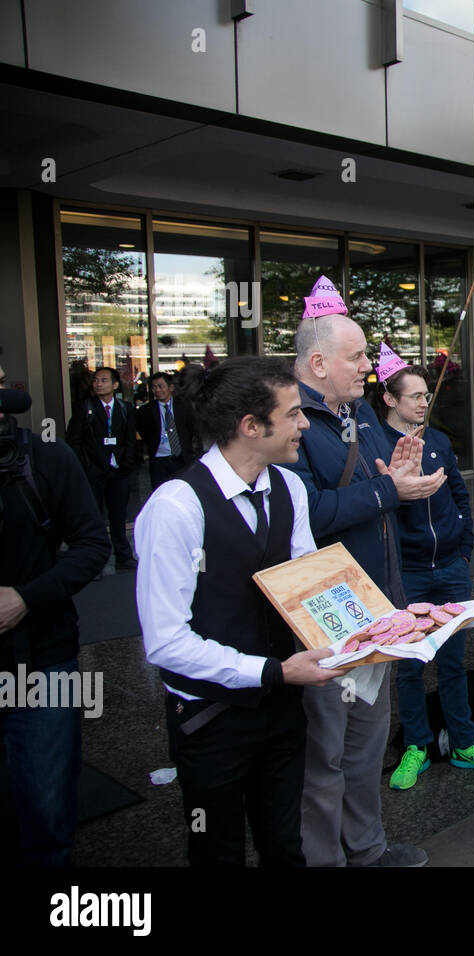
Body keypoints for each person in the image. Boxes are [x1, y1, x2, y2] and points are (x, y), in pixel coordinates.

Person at [134, 357, 344, 866]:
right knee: (217, 849)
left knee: (284, 845)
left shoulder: (290, 489)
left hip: (281, 707)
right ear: (251, 427)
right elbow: (165, 641)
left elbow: (308, 589)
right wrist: (271, 671)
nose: (304, 425)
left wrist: (385, 627)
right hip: (211, 718)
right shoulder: (176, 506)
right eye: (294, 413)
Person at [286, 281, 440, 867]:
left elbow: (380, 490)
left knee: (367, 741)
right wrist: (386, 490)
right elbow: (309, 513)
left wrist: (400, 482)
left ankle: (368, 849)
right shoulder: (292, 422)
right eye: (357, 357)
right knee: (323, 753)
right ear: (318, 362)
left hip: (375, 603)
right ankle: (325, 858)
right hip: (323, 611)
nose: (368, 367)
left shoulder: (359, 416)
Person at [374, 362, 474, 789]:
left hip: (450, 568)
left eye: (425, 395)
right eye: (414, 396)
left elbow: (457, 491)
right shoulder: (374, 444)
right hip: (409, 575)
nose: (423, 403)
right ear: (389, 399)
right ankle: (417, 745)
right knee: (411, 665)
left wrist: (463, 549)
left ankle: (466, 741)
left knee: (454, 662)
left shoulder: (436, 439)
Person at [0, 384, 110, 865]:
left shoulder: (43, 458)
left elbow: (92, 544)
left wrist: (25, 598)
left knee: (46, 807)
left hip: (43, 660)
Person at [65, 366, 139, 571]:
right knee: (94, 518)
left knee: (118, 518)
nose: (98, 384)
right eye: (96, 380)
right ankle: (95, 563)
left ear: (115, 385)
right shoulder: (84, 408)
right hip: (94, 471)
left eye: (104, 380)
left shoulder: (125, 408)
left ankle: (123, 557)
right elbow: (74, 440)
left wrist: (126, 464)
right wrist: (85, 466)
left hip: (118, 471)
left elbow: (130, 439)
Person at [138, 371, 200, 491]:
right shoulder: (145, 411)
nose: (157, 390)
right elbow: (144, 432)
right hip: (159, 460)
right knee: (160, 491)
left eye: (160, 386)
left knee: (184, 491)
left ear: (170, 387)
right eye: (154, 387)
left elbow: (192, 429)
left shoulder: (184, 406)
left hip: (182, 458)